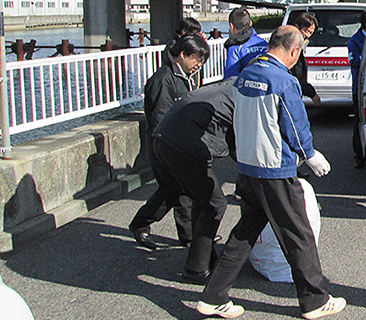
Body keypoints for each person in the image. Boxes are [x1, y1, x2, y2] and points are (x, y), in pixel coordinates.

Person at [196, 26, 345, 320]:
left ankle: (213, 296)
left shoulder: (247, 75)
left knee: (244, 234)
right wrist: (310, 154)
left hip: (249, 167)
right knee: (298, 234)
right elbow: (294, 124)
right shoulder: (283, 81)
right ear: (293, 51)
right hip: (275, 169)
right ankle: (314, 300)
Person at [149, 79, 236, 284]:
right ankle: (195, 269)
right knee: (215, 203)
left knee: (203, 199)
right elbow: (237, 142)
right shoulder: (243, 96)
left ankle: (206, 258)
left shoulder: (227, 86)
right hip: (181, 143)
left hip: (162, 138)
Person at [129, 34, 210, 250]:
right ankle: (186, 237)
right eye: (197, 60)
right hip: (165, 146)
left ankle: (145, 225)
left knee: (173, 191)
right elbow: (160, 118)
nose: (198, 65)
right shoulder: (163, 79)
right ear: (183, 55)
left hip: (176, 144)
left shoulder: (182, 76)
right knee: (178, 191)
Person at [348, 8, 366, 168]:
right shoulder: (354, 41)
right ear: (365, 24)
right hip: (360, 86)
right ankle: (359, 155)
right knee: (359, 121)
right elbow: (354, 62)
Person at [224, 7, 269, 78]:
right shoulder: (264, 43)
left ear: (232, 26)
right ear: (250, 23)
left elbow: (231, 78)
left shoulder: (235, 48)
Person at [289, 12, 323, 107]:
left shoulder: (299, 48)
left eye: (311, 33)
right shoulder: (291, 48)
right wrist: (312, 94)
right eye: (306, 31)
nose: (307, 36)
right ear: (297, 27)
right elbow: (298, 76)